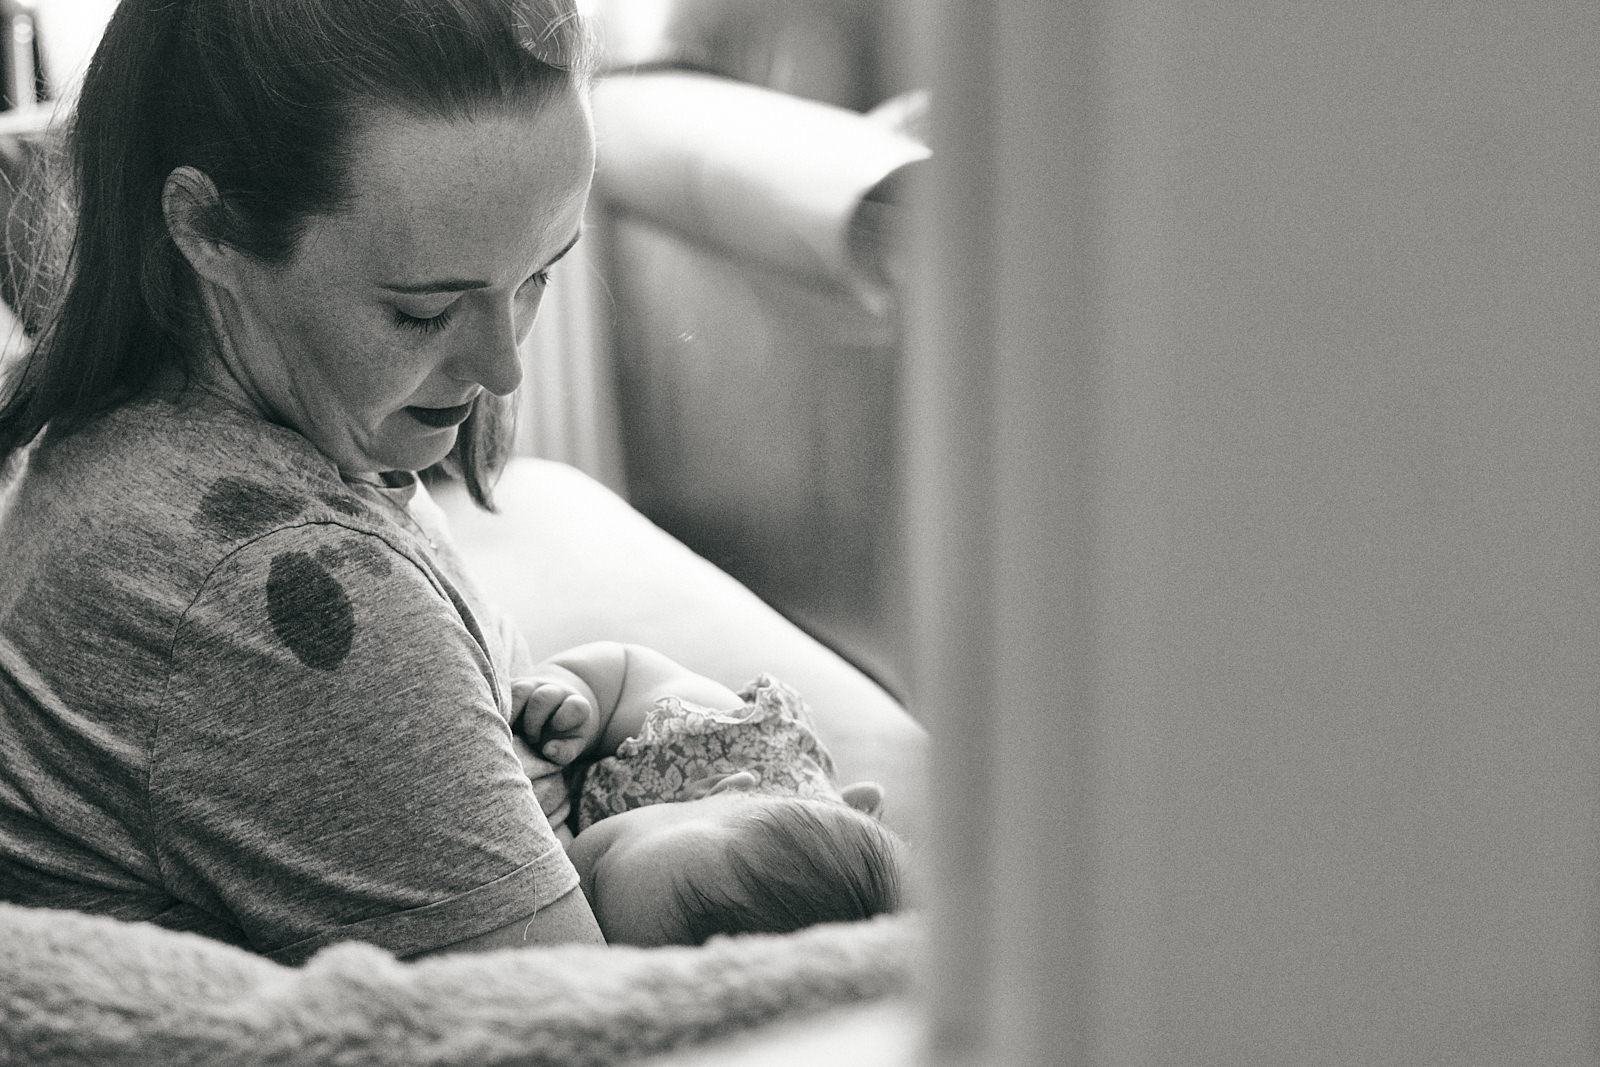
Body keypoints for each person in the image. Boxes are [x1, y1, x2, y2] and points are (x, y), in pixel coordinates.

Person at [0, 0, 609, 963]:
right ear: (207, 229)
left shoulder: (101, 425)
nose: (504, 368)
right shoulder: (279, 592)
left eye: (539, 275)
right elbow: (589, 1024)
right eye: (424, 312)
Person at [514, 641, 906, 946]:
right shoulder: (690, 746)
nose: (573, 877)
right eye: (598, 872)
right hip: (764, 771)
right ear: (704, 791)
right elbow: (626, 667)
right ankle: (847, 804)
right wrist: (573, 692)